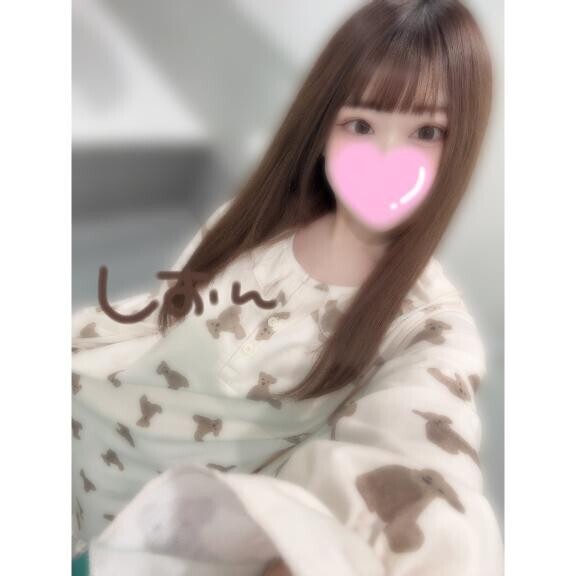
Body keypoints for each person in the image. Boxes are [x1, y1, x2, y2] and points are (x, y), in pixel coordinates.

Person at [72, 1, 503, 574]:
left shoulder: (425, 327)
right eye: (360, 124)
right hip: (87, 451)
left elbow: (426, 476)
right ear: (322, 129)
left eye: (427, 131)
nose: (387, 157)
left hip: (177, 537)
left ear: (460, 143)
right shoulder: (256, 222)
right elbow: (161, 327)